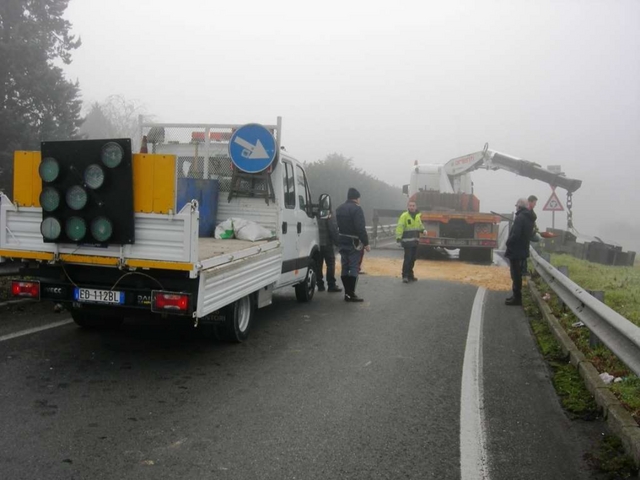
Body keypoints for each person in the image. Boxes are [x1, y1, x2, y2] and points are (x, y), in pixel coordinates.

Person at [336, 187, 370, 302]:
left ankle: (347, 293)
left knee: (344, 266)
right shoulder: (357, 209)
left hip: (342, 240)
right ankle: (350, 293)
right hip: (353, 242)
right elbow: (360, 228)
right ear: (357, 198)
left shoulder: (339, 209)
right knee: (354, 267)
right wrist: (366, 243)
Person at [505, 197, 536, 306]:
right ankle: (515, 296)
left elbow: (516, 234)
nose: (516, 207)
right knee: (517, 274)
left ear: (519, 206)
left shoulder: (520, 217)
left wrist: (508, 242)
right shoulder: (529, 217)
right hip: (522, 249)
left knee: (515, 275)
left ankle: (517, 298)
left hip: (516, 250)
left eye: (517, 206)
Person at [396, 200, 425, 283]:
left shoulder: (417, 216)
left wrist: (423, 230)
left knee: (413, 259)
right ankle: (405, 276)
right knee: (408, 259)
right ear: (408, 207)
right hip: (407, 241)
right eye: (410, 206)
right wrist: (398, 237)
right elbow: (400, 227)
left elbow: (420, 225)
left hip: (415, 241)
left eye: (413, 206)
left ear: (416, 207)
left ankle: (410, 275)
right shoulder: (404, 216)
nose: (412, 207)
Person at [316, 209, 342, 293]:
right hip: (327, 243)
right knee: (330, 264)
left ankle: (320, 285)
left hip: (317, 244)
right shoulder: (329, 214)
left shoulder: (315, 214)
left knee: (318, 265)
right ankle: (331, 285)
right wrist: (337, 242)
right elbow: (333, 229)